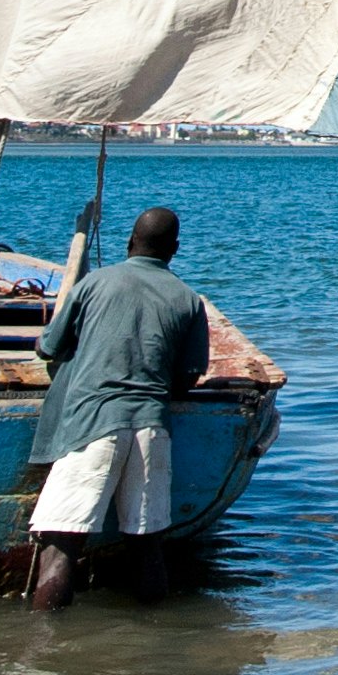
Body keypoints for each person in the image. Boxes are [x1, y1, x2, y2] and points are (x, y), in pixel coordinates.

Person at [26, 205, 209, 611]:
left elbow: (50, 347)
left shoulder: (95, 283)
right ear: (174, 249)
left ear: (130, 242)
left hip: (92, 427)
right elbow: (188, 377)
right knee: (147, 547)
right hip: (151, 429)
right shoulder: (188, 299)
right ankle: (154, 645)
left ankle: (40, 653)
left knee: (61, 547)